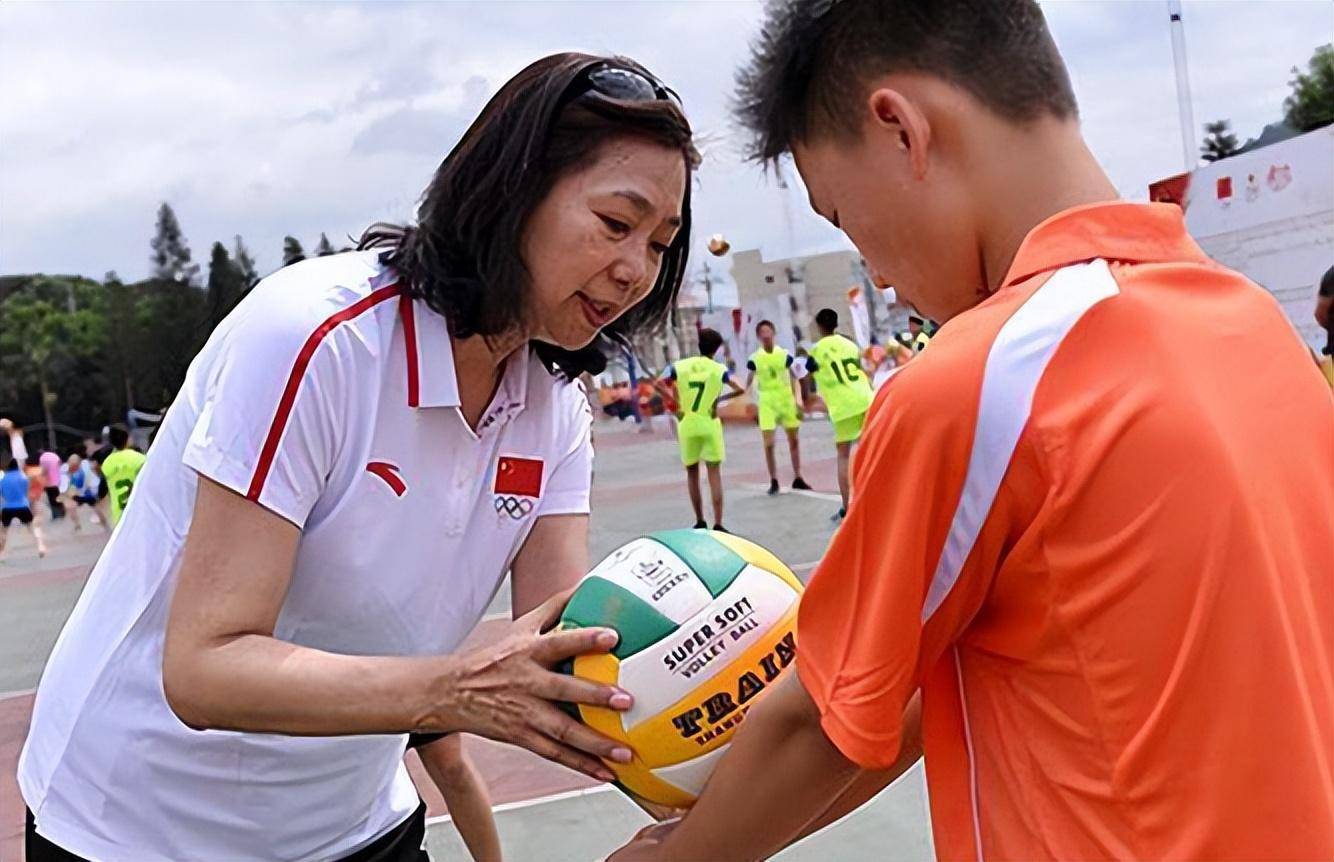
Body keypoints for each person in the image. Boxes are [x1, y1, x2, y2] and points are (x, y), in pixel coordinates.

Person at [612, 2, 1334, 861]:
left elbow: (819, 717)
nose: (874, 268)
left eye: (842, 216)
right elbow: (909, 700)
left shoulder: (982, 380)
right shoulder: (1255, 328)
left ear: (901, 131)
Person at [20, 52, 697, 862]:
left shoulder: (554, 410)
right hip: (138, 830)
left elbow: (570, 643)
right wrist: (457, 690)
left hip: (355, 824)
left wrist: (712, 752)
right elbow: (204, 669)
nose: (636, 270)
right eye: (617, 224)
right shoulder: (316, 339)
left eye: (661, 244)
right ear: (513, 190)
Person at [659, 327, 745, 530]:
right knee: (714, 473)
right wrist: (717, 400)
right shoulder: (718, 369)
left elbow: (659, 383)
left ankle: (699, 519)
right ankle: (718, 521)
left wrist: (676, 403)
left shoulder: (680, 366)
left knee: (692, 473)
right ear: (716, 349)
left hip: (687, 422)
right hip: (709, 421)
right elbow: (740, 387)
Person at [806, 307, 872, 520]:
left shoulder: (817, 350)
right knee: (870, 450)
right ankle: (876, 497)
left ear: (819, 326)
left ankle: (847, 506)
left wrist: (808, 396)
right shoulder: (850, 344)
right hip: (865, 397)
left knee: (843, 456)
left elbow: (806, 372)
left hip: (843, 406)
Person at [744, 319, 811, 495]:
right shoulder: (755, 359)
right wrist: (749, 402)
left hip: (785, 400)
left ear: (773, 333)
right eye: (762, 332)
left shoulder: (785, 355)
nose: (766, 335)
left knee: (794, 440)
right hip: (767, 402)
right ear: (759, 336)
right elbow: (749, 383)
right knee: (769, 443)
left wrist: (798, 400)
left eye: (768, 331)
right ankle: (773, 479)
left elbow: (795, 377)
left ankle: (798, 475)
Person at [98, 424, 146, 527]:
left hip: (119, 516)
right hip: (140, 513)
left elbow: (101, 492)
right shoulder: (140, 458)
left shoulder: (107, 463)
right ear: (128, 439)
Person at [1, 458, 48, 560]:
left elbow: (2, 494)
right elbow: (26, 492)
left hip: (8, 507)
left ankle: (1, 554)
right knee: (33, 527)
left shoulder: (3, 479)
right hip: (23, 506)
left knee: (3, 531)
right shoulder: (23, 478)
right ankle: (40, 546)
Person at [60, 453, 106, 534]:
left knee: (95, 507)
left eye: (73, 465)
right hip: (88, 490)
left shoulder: (80, 474)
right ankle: (78, 525)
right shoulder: (84, 463)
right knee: (71, 506)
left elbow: (75, 488)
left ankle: (104, 524)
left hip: (88, 492)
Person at [38, 449, 65, 520]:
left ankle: (56, 514)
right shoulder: (54, 455)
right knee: (57, 496)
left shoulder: (42, 458)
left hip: (49, 482)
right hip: (57, 480)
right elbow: (60, 464)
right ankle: (62, 512)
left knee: (51, 499)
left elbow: (44, 470)